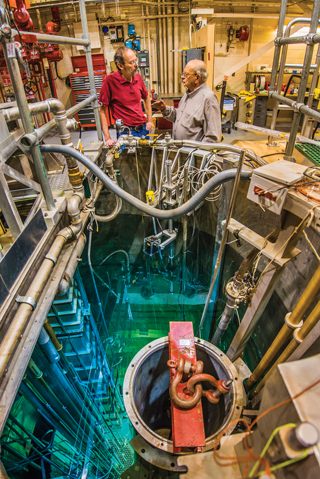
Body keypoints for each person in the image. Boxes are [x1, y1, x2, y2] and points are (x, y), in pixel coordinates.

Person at [152, 60, 221, 143]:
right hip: (181, 152)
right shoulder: (188, 94)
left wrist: (196, 154)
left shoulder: (208, 98)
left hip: (192, 154)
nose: (182, 76)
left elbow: (213, 137)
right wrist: (164, 109)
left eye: (186, 74)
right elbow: (180, 117)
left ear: (197, 78)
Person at [99, 47, 153, 147]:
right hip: (125, 133)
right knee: (128, 161)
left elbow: (146, 97)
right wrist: (107, 138)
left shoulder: (138, 77)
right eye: (132, 62)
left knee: (147, 159)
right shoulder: (109, 81)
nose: (136, 65)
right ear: (120, 66)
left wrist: (149, 120)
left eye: (136, 60)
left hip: (143, 130)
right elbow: (102, 110)